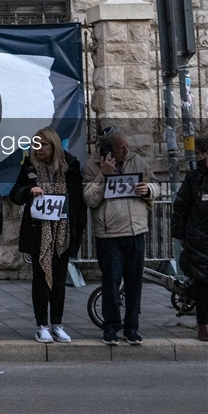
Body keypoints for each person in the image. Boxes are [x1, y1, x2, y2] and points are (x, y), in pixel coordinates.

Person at [83, 126, 160, 346]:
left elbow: (156, 185)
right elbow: (90, 198)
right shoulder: (92, 167)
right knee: (111, 282)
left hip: (135, 230)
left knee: (135, 283)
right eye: (120, 148)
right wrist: (103, 175)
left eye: (127, 146)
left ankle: (132, 327)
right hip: (109, 234)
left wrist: (149, 190)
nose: (126, 150)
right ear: (107, 150)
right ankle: (111, 327)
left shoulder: (137, 161)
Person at [8, 128, 86, 343]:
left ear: (54, 146)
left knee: (59, 281)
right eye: (35, 145)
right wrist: (29, 191)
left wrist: (77, 233)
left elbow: (79, 205)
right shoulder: (30, 168)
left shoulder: (71, 167)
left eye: (43, 144)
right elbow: (15, 194)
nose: (38, 149)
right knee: (41, 280)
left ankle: (58, 324)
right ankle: (41, 325)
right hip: (39, 233)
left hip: (63, 234)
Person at [172, 135, 208, 342]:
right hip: (199, 240)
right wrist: (181, 235)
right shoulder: (195, 178)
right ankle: (203, 325)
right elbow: (181, 206)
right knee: (204, 284)